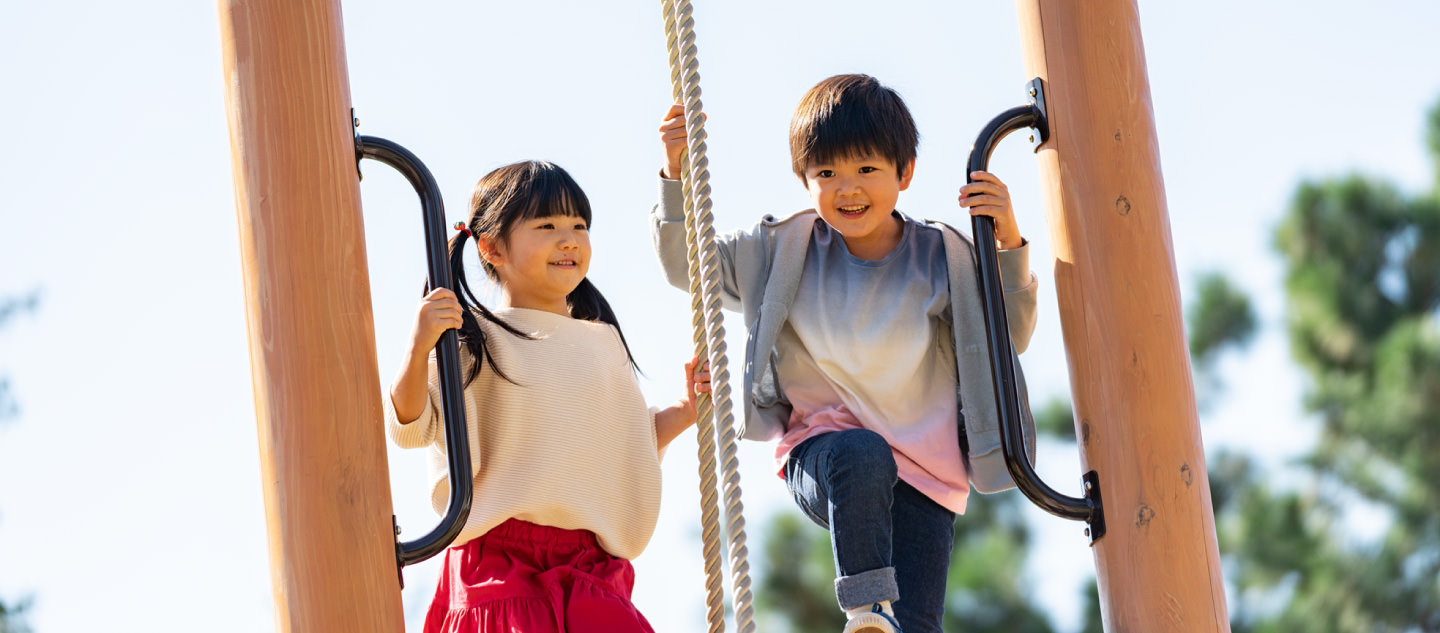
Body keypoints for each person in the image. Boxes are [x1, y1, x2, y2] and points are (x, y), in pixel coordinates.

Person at [650, 74, 1039, 633]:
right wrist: (674, 173)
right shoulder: (782, 250)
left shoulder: (941, 257)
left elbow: (1010, 338)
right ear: (803, 180)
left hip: (927, 479)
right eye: (826, 173)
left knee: (918, 626)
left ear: (905, 173)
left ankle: (880, 618)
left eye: (866, 170)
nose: (847, 189)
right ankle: (864, 610)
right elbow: (686, 266)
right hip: (828, 458)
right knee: (860, 453)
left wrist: (1006, 241)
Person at [387, 160, 707, 633]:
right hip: (498, 563)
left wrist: (683, 413)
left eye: (579, 225)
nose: (570, 239)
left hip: (590, 567)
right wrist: (418, 348)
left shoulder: (603, 342)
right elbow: (413, 425)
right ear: (492, 247)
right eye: (548, 225)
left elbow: (618, 446)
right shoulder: (474, 339)